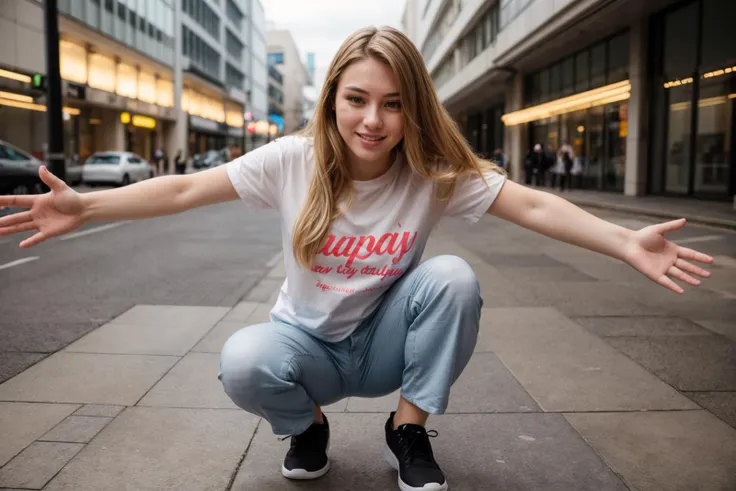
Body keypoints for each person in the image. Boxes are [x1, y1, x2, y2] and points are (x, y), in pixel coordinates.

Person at [0, 26, 714, 491]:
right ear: (333, 99)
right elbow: (188, 188)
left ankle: (408, 428)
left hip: (384, 346)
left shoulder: (431, 171)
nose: (373, 120)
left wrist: (624, 240)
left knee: (453, 278)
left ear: (415, 110)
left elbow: (528, 204)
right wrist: (86, 205)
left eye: (394, 104)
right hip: (306, 348)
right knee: (244, 360)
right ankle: (307, 426)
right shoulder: (292, 160)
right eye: (357, 99)